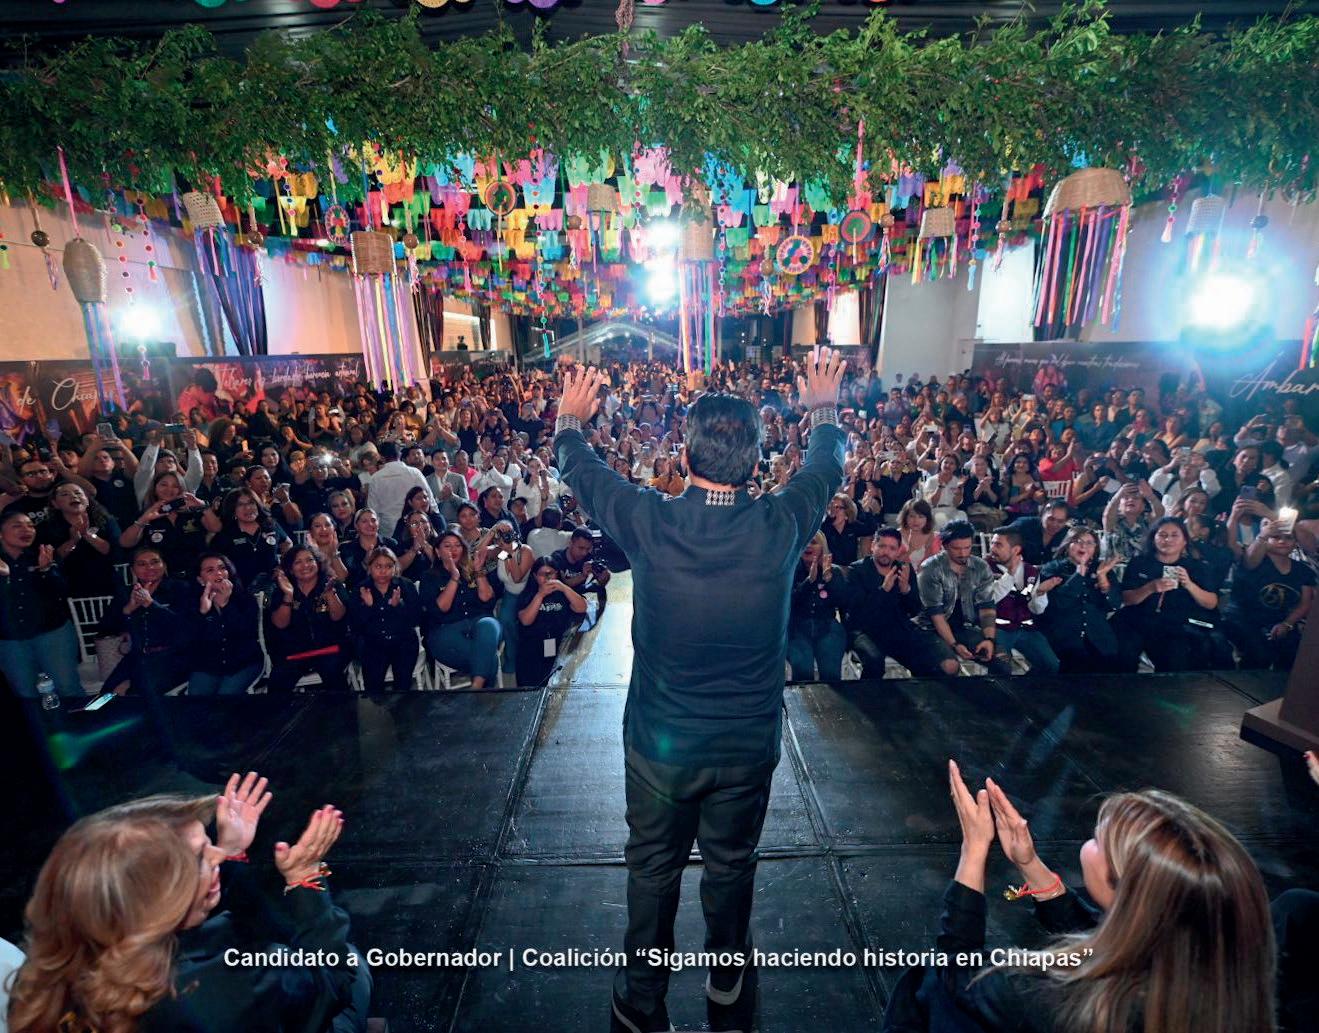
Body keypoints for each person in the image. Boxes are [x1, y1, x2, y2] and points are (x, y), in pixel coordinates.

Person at [552, 350, 846, 1033]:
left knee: (653, 869)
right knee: (731, 864)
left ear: (683, 459)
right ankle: (726, 980)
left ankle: (642, 998)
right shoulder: (781, 523)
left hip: (661, 748)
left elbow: (581, 471)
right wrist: (824, 408)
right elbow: (826, 466)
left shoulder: (649, 519)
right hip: (745, 747)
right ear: (757, 461)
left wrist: (569, 420)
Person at [898, 762, 1276, 1033]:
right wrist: (1028, 864)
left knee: (924, 983)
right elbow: (1106, 935)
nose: (1094, 833)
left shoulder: (1051, 999)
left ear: (1127, 897)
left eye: (1099, 841)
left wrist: (974, 849)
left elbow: (957, 975)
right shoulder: (1213, 973)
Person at [7, 788, 362, 1033]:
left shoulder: (39, 983)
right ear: (160, 899)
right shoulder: (224, 989)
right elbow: (330, 980)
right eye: (200, 857)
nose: (218, 856)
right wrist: (305, 878)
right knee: (355, 967)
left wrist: (229, 852)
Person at [1112, 517, 1230, 672]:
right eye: (1162, 535)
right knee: (1123, 653)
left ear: (1184, 541)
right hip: (1138, 620)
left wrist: (1189, 585)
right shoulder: (1139, 563)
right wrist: (1150, 588)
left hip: (1176, 623)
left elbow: (1211, 603)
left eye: (1175, 535)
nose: (1168, 540)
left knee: (1176, 658)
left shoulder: (1197, 567)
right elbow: (1127, 599)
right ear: (1153, 539)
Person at [839, 527, 948, 678]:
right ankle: (867, 694)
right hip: (863, 630)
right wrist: (883, 590)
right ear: (873, 546)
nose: (886, 552)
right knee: (874, 661)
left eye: (892, 548)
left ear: (897, 551)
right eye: (882, 546)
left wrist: (906, 590)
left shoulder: (903, 569)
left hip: (895, 628)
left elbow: (914, 610)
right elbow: (856, 613)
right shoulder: (856, 570)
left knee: (926, 662)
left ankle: (919, 693)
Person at [0, 511, 82, 698]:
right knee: (25, 694)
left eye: (30, 525)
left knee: (67, 688)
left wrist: (46, 569)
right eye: (17, 526)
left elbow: (62, 591)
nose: (27, 530)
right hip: (10, 639)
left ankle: (80, 717)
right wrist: (5, 577)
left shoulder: (42, 554)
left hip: (52, 632)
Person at [915, 520, 1008, 676]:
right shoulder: (930, 568)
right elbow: (935, 614)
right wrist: (955, 644)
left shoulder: (980, 567)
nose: (963, 553)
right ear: (945, 546)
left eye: (967, 547)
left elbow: (987, 607)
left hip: (964, 627)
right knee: (950, 666)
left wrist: (989, 639)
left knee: (1001, 660)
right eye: (956, 548)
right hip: (930, 629)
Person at [98, 546, 194, 695]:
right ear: (133, 570)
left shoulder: (180, 588)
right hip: (137, 656)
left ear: (164, 565)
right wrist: (128, 610)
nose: (150, 568)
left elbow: (182, 626)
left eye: (155, 562)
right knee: (106, 697)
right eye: (142, 564)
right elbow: (105, 627)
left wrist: (151, 604)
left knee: (137, 694)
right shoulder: (127, 592)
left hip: (171, 657)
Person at [1223, 518, 1314, 670]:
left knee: (1296, 651)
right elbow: (1248, 561)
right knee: (1259, 654)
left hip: (1278, 620)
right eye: (1276, 537)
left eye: (1288, 538)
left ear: (1295, 542)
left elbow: (1305, 603)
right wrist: (1263, 534)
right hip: (1243, 618)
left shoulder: (1303, 570)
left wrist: (1287, 624)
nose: (1282, 541)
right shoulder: (1252, 560)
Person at [420, 529, 502, 689]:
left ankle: (476, 688)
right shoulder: (429, 576)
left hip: (478, 624)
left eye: (458, 545)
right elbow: (441, 609)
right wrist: (454, 577)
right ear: (437, 552)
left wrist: (478, 571)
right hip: (445, 630)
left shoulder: (472, 570)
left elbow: (487, 598)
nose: (453, 549)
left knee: (489, 624)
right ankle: (481, 690)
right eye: (447, 546)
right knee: (489, 659)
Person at [1034, 526, 1122, 673]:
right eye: (1078, 541)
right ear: (1068, 545)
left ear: (1095, 548)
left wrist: (1102, 579)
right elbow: (1058, 604)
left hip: (1098, 636)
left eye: (1089, 543)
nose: (1083, 546)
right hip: (1064, 637)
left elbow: (1114, 604)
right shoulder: (1052, 569)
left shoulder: (1102, 569)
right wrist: (1079, 575)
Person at [266, 546, 352, 693]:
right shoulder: (282, 589)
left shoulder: (331, 583)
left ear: (318, 563)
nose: (305, 565)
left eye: (309, 560)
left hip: (330, 649)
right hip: (294, 653)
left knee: (333, 673)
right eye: (298, 562)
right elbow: (280, 624)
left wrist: (330, 594)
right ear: (290, 569)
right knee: (278, 680)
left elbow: (339, 617)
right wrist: (288, 595)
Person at [985, 526, 1060, 675]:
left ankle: (1026, 687)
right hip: (996, 628)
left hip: (1025, 629)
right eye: (992, 543)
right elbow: (990, 599)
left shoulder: (1030, 571)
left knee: (1051, 665)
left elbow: (1037, 610)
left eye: (998, 545)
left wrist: (1039, 592)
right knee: (1001, 667)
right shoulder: (984, 567)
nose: (992, 548)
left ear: (1015, 550)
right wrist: (1010, 574)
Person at [348, 546, 423, 693]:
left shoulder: (405, 585)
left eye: (388, 566)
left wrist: (398, 606)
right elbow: (355, 625)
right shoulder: (361, 589)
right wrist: (368, 607)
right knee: (373, 689)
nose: (383, 571)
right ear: (370, 568)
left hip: (403, 641)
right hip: (373, 643)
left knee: (403, 688)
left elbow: (416, 618)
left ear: (395, 568)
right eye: (378, 566)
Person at [189, 552, 264, 695]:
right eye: (210, 570)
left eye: (222, 568)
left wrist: (225, 606)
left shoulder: (245, 599)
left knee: (225, 696)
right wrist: (202, 613)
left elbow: (246, 633)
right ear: (200, 580)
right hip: (208, 666)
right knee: (197, 699)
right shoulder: (193, 603)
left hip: (243, 663)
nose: (218, 573)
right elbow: (190, 639)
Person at [35, 482, 121, 600]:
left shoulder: (105, 521)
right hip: (68, 587)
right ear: (55, 504)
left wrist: (87, 534)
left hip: (107, 583)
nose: (74, 496)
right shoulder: (46, 528)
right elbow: (53, 559)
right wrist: (73, 541)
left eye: (78, 493)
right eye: (65, 494)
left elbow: (113, 551)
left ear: (87, 500)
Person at [515, 556, 588, 686]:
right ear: (535, 576)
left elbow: (582, 607)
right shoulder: (528, 594)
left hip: (556, 645)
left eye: (551, 573)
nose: (547, 578)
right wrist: (540, 595)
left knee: (552, 682)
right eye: (542, 574)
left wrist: (564, 587)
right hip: (531, 648)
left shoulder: (563, 593)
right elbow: (526, 621)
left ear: (557, 573)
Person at [205, 488, 291, 591]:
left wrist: (282, 566)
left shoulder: (270, 525)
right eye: (240, 505)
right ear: (233, 509)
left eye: (251, 503)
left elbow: (288, 543)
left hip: (272, 586)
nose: (248, 508)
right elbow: (213, 561)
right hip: (240, 589)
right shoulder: (226, 532)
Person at [364, 440, 436, 534]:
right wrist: (437, 520)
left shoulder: (376, 478)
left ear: (381, 457)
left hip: (387, 528)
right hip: (414, 527)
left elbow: (373, 509)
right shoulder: (414, 473)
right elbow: (430, 499)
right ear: (400, 454)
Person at [337, 508, 396, 587]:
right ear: (356, 526)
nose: (370, 524)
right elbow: (347, 579)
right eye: (364, 521)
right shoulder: (345, 548)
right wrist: (365, 564)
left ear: (378, 523)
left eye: (373, 520)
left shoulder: (391, 544)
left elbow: (397, 573)